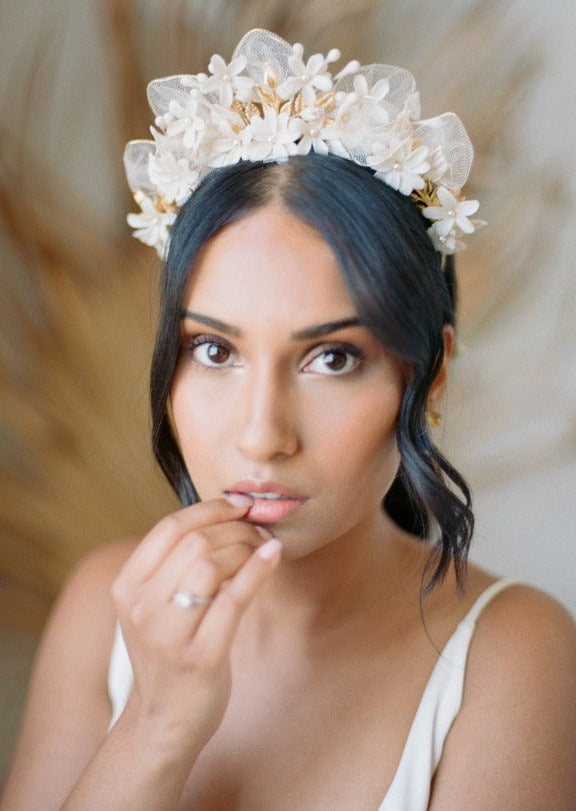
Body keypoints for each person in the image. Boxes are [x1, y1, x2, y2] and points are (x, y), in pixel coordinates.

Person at [2, 29, 575, 811]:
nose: (262, 434)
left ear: (431, 372)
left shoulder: (513, 655)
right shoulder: (106, 604)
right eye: (214, 350)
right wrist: (154, 725)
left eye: (332, 357)